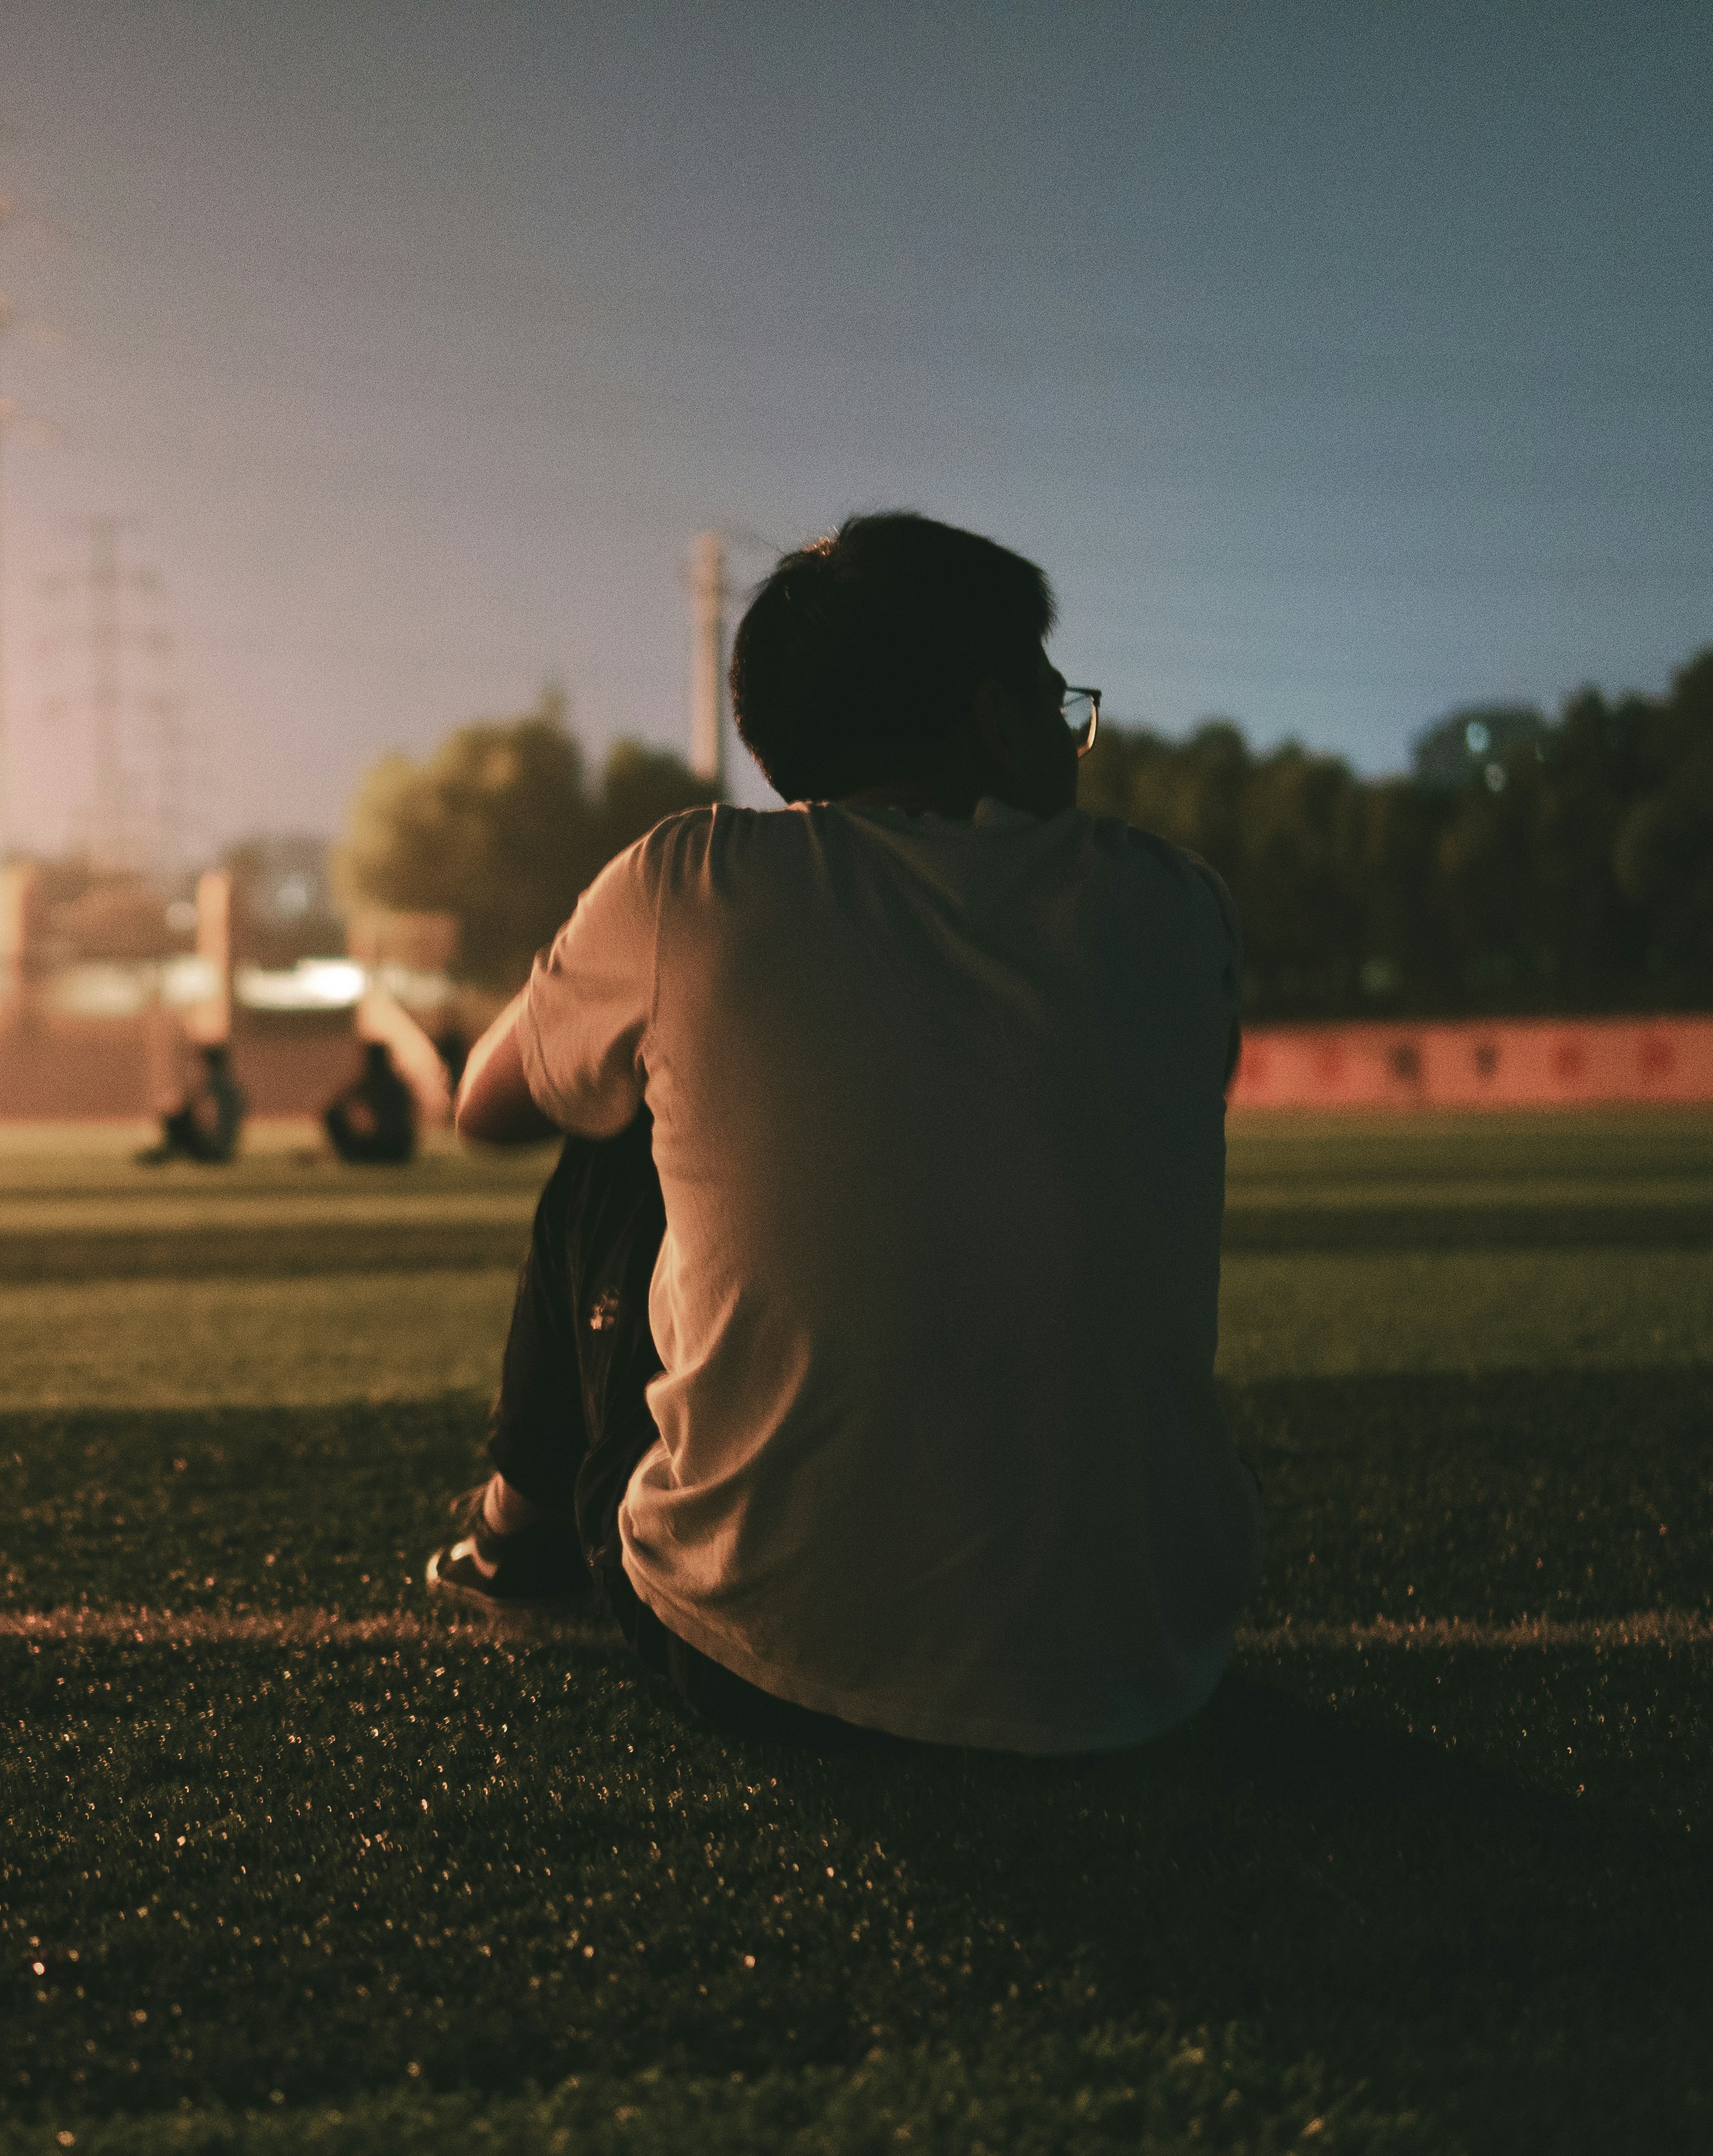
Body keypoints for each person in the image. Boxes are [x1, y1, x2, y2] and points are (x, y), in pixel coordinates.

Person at [426, 511, 1258, 1757]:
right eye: (1057, 702)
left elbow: (486, 1107)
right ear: (993, 718)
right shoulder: (1176, 906)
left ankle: (512, 1531)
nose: (1073, 738)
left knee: (604, 1121)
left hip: (762, 1654)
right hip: (1151, 1665)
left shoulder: (694, 882)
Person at [137, 1041, 247, 1165]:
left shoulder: (214, 1082)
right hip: (224, 1150)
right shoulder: (232, 1086)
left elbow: (188, 1105)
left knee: (176, 1118)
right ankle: (168, 1152)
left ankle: (168, 1152)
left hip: (214, 1151)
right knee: (180, 1116)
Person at [321, 1038, 418, 1164]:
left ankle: (351, 1155)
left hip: (382, 1148)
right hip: (401, 1150)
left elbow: (336, 1105)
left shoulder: (369, 1082)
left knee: (332, 1115)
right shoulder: (399, 1084)